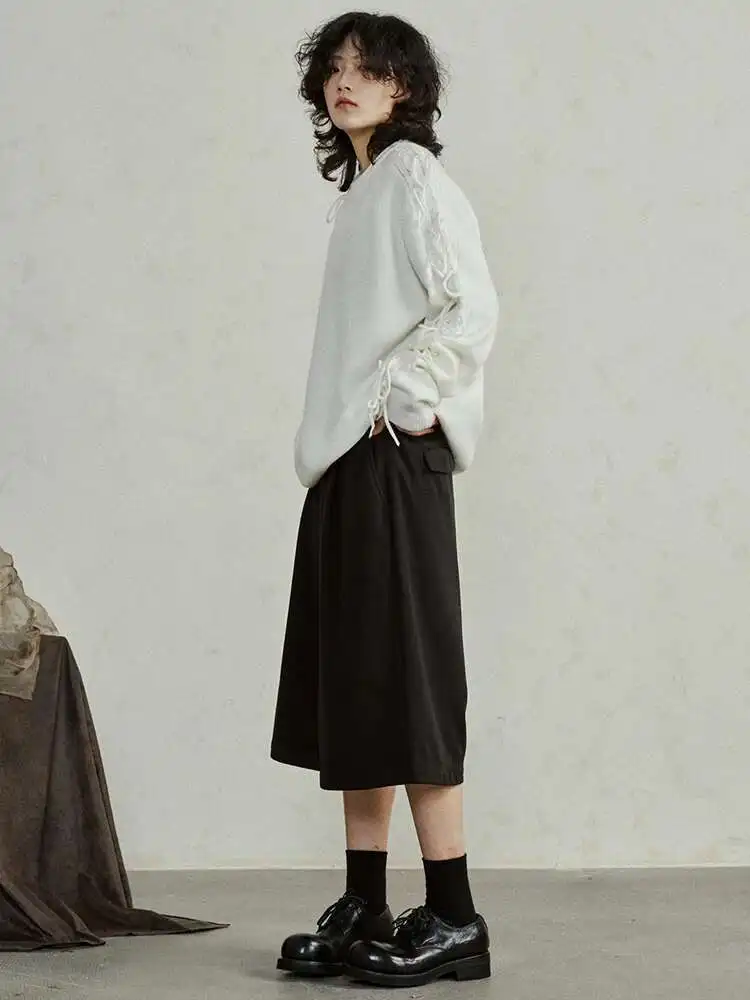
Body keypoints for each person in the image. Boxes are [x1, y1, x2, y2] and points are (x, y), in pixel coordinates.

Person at [270, 11, 500, 989]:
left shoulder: (410, 176)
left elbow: (471, 307)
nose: (345, 81)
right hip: (345, 463)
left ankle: (454, 916)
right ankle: (366, 898)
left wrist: (399, 399)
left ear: (404, 86)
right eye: (334, 68)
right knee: (357, 684)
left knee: (408, 681)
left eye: (367, 68)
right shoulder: (361, 189)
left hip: (392, 459)